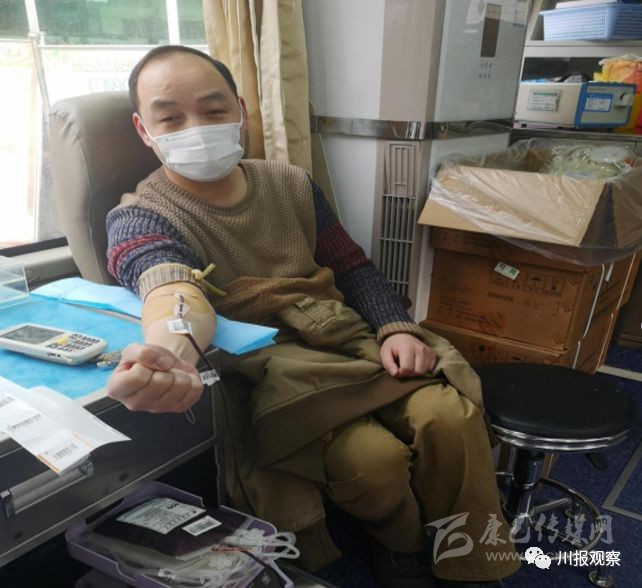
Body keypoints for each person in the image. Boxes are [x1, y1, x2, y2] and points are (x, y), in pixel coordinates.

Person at [105, 45, 520, 588]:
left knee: (450, 415)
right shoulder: (139, 216)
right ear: (144, 130)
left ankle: (470, 562)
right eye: (171, 118)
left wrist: (395, 327)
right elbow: (171, 290)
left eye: (213, 110)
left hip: (342, 335)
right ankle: (402, 546)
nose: (196, 128)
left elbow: (351, 266)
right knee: (372, 462)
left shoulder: (292, 183)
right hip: (272, 371)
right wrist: (172, 355)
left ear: (240, 111)